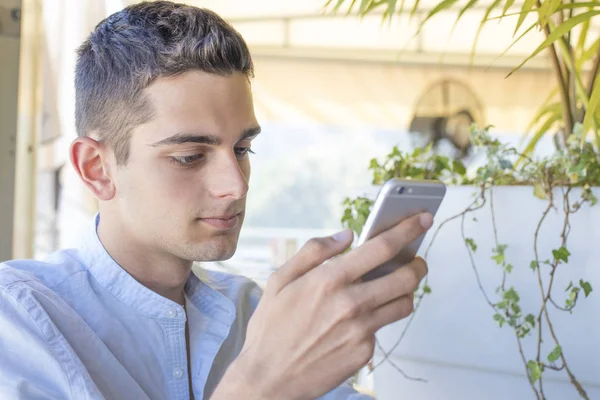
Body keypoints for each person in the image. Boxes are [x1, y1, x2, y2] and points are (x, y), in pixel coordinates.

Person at [0, 1, 433, 399]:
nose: (237, 186)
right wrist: (264, 382)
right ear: (97, 168)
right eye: (189, 157)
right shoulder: (17, 316)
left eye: (243, 150)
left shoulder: (258, 312)